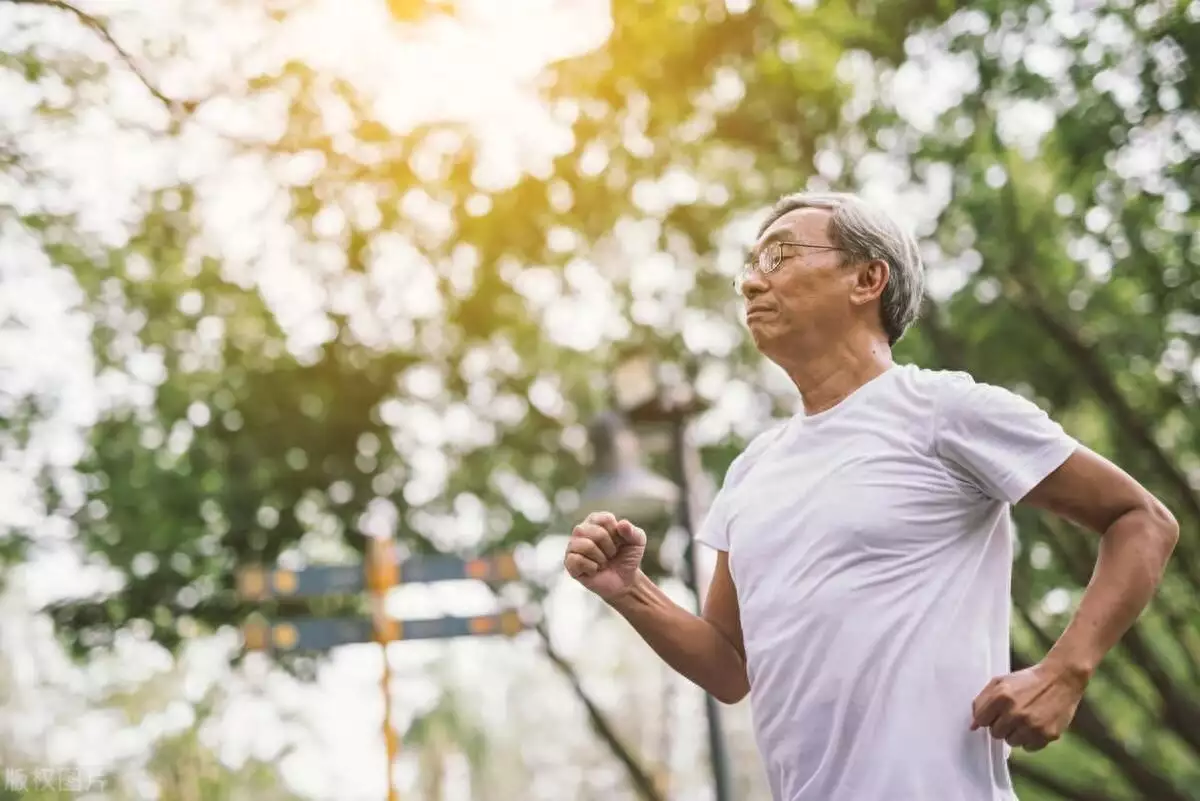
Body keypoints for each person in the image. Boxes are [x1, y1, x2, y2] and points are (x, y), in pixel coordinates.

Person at [562, 192, 1179, 801]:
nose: (751, 283)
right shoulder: (753, 470)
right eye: (748, 267)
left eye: (777, 257)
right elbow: (728, 666)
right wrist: (632, 591)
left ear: (866, 278)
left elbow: (1142, 519)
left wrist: (1064, 672)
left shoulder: (943, 411)